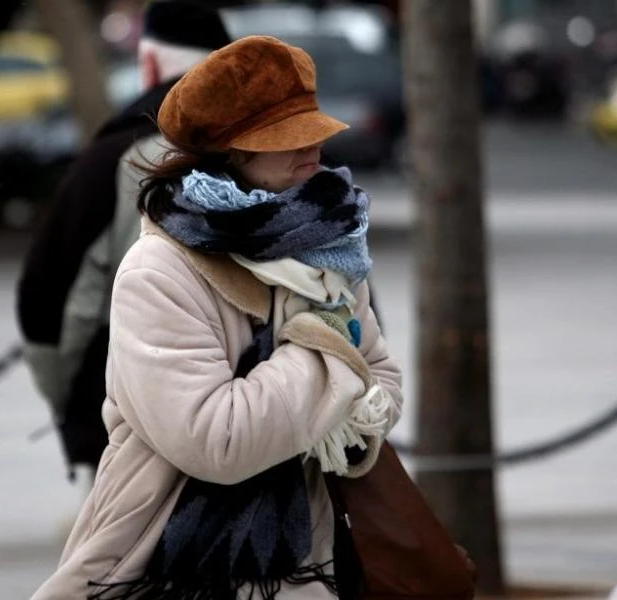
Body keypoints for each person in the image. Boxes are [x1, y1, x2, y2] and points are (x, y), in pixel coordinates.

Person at [30, 34, 403, 599]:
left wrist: (339, 392)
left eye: (314, 132)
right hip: (164, 563)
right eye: (287, 139)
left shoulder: (329, 245)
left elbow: (385, 387)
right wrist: (323, 347)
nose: (314, 151)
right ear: (232, 152)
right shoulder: (159, 271)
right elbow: (219, 443)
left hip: (314, 559)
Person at [16, 0, 234, 487]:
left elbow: (46, 297)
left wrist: (73, 410)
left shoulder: (108, 159)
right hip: (259, 420)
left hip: (129, 416)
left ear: (151, 63)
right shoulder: (280, 149)